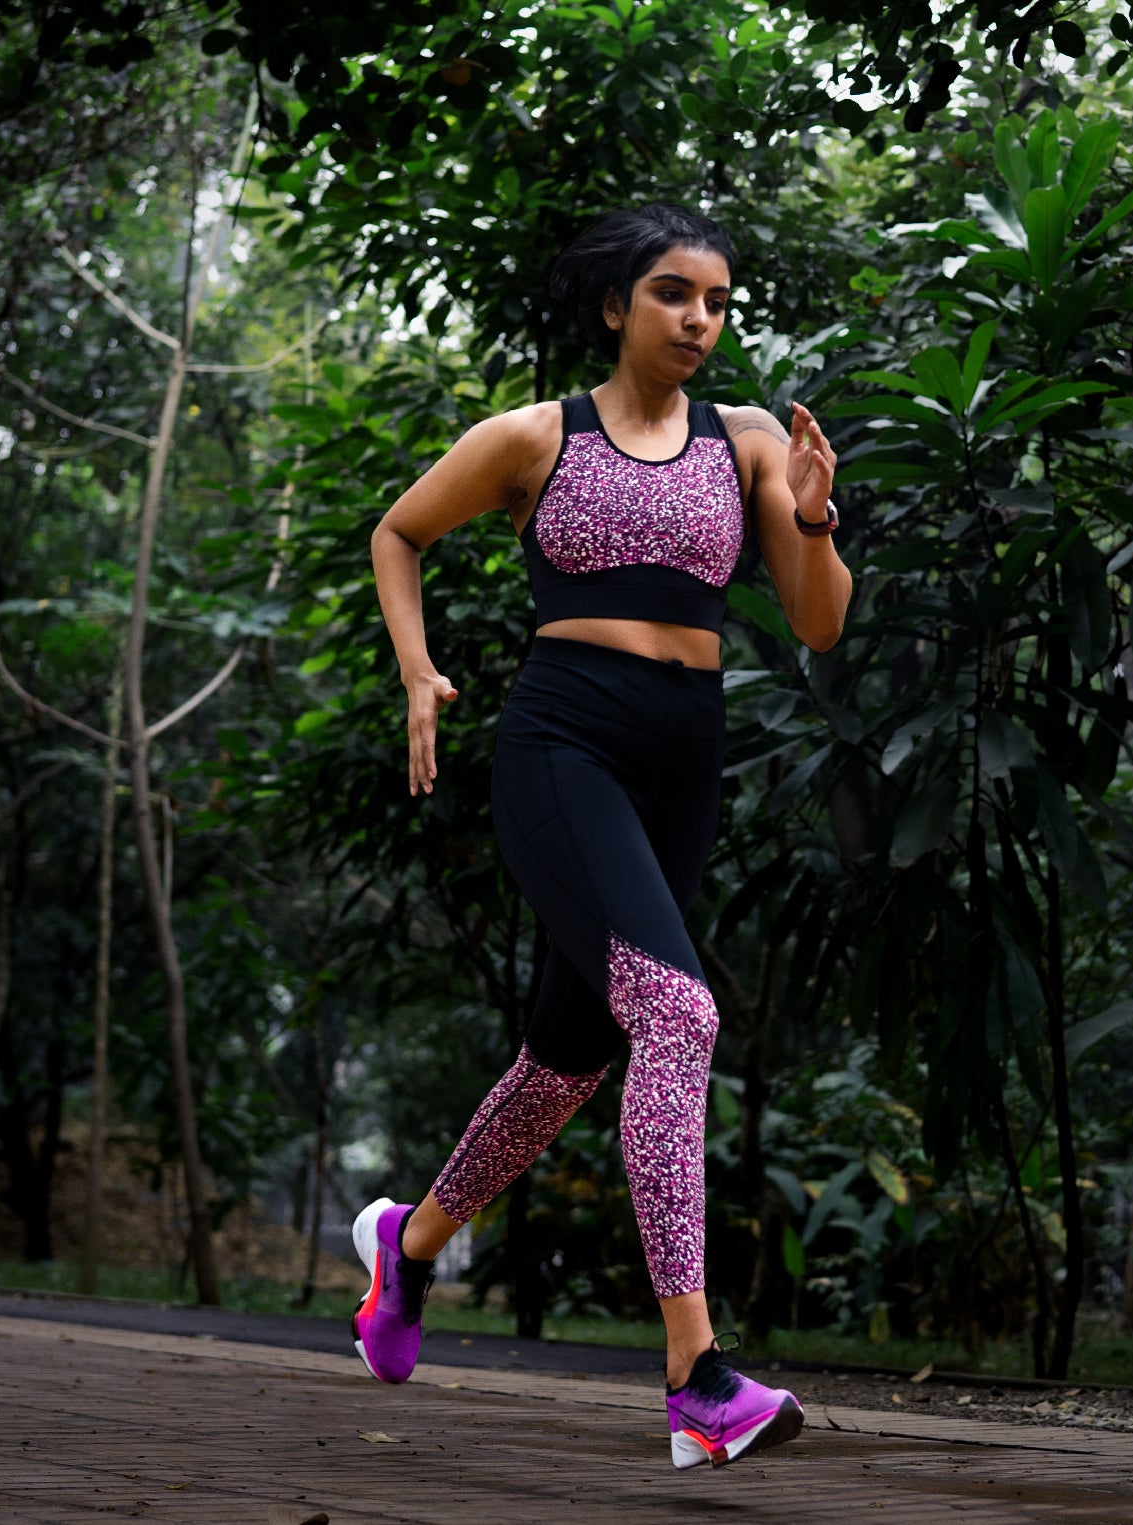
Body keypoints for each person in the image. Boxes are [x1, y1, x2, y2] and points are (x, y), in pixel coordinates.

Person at [354, 203, 847, 1470]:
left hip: (682, 764)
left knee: (567, 1061)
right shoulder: (538, 438)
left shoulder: (747, 441)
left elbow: (817, 625)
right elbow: (399, 531)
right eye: (674, 293)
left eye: (717, 301)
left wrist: (811, 518)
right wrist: (417, 672)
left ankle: (407, 1246)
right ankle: (696, 1377)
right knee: (675, 1014)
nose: (699, 319)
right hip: (562, 744)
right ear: (618, 306)